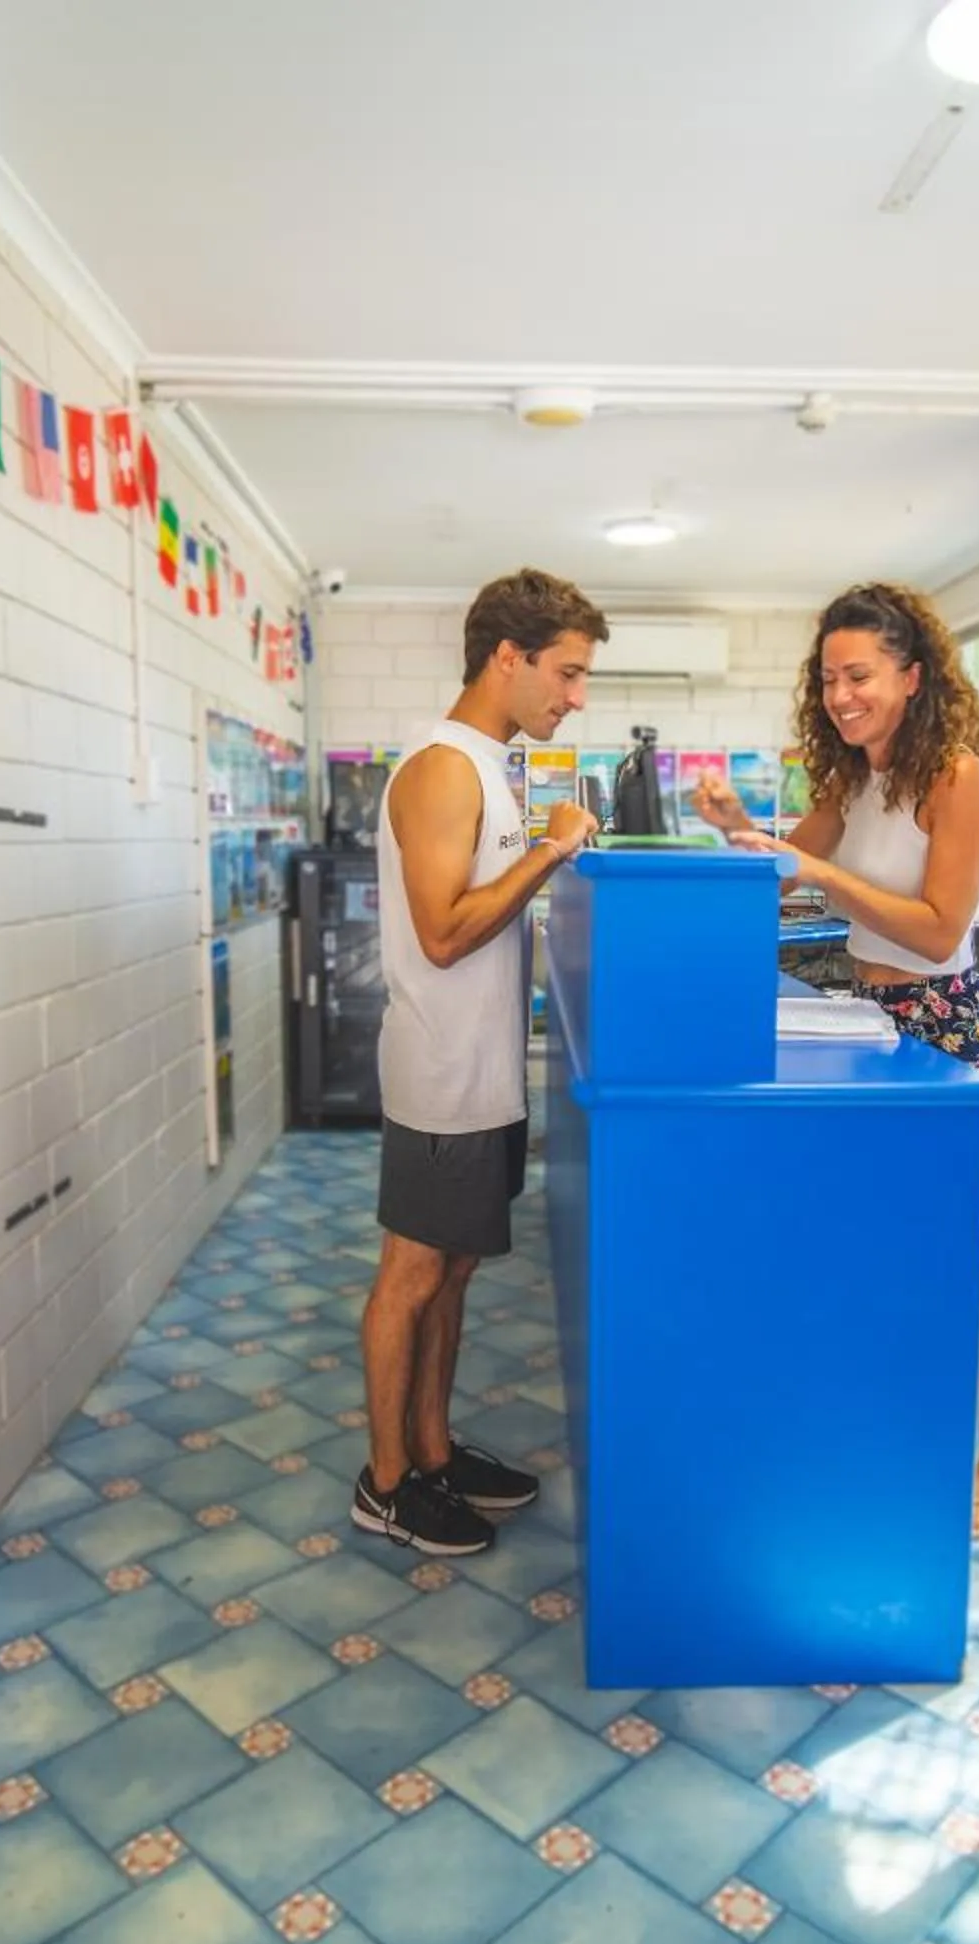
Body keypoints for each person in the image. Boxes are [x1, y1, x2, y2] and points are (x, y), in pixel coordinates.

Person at [693, 582, 979, 1538]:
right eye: (829, 678)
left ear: (912, 675)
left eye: (860, 676)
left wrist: (819, 874)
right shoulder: (854, 777)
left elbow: (937, 933)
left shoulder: (955, 776)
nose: (842, 695)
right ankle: (888, 1433)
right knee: (883, 1242)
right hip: (871, 1023)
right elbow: (787, 863)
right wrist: (734, 826)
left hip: (948, 1026)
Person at [354, 568, 605, 1557]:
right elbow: (446, 932)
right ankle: (384, 1483)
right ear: (508, 655)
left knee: (453, 1272)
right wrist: (547, 852)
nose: (576, 696)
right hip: (439, 1077)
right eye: (568, 672)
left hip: (482, 1070)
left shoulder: (485, 763)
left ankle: (432, 1450)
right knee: (412, 1274)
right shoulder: (443, 767)